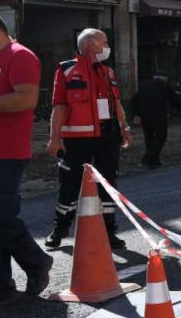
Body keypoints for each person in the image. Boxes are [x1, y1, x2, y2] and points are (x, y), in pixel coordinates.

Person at [45, 28, 132, 250]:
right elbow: (60, 106)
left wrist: (124, 126)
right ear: (92, 44)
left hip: (108, 135)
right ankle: (60, 229)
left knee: (108, 184)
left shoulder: (108, 72)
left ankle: (109, 231)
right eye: (104, 42)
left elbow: (116, 103)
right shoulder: (66, 70)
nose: (107, 47)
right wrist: (54, 139)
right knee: (69, 184)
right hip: (78, 138)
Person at [0, 10, 51, 306]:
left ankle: (37, 262)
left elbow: (26, 98)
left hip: (5, 153)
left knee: (1, 218)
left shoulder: (20, 55)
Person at [129, 69, 178, 168]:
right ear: (165, 78)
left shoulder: (143, 85)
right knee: (161, 137)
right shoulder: (164, 86)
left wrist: (136, 114)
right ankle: (147, 159)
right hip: (158, 115)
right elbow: (175, 99)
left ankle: (154, 161)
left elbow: (134, 101)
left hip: (145, 116)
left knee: (149, 137)